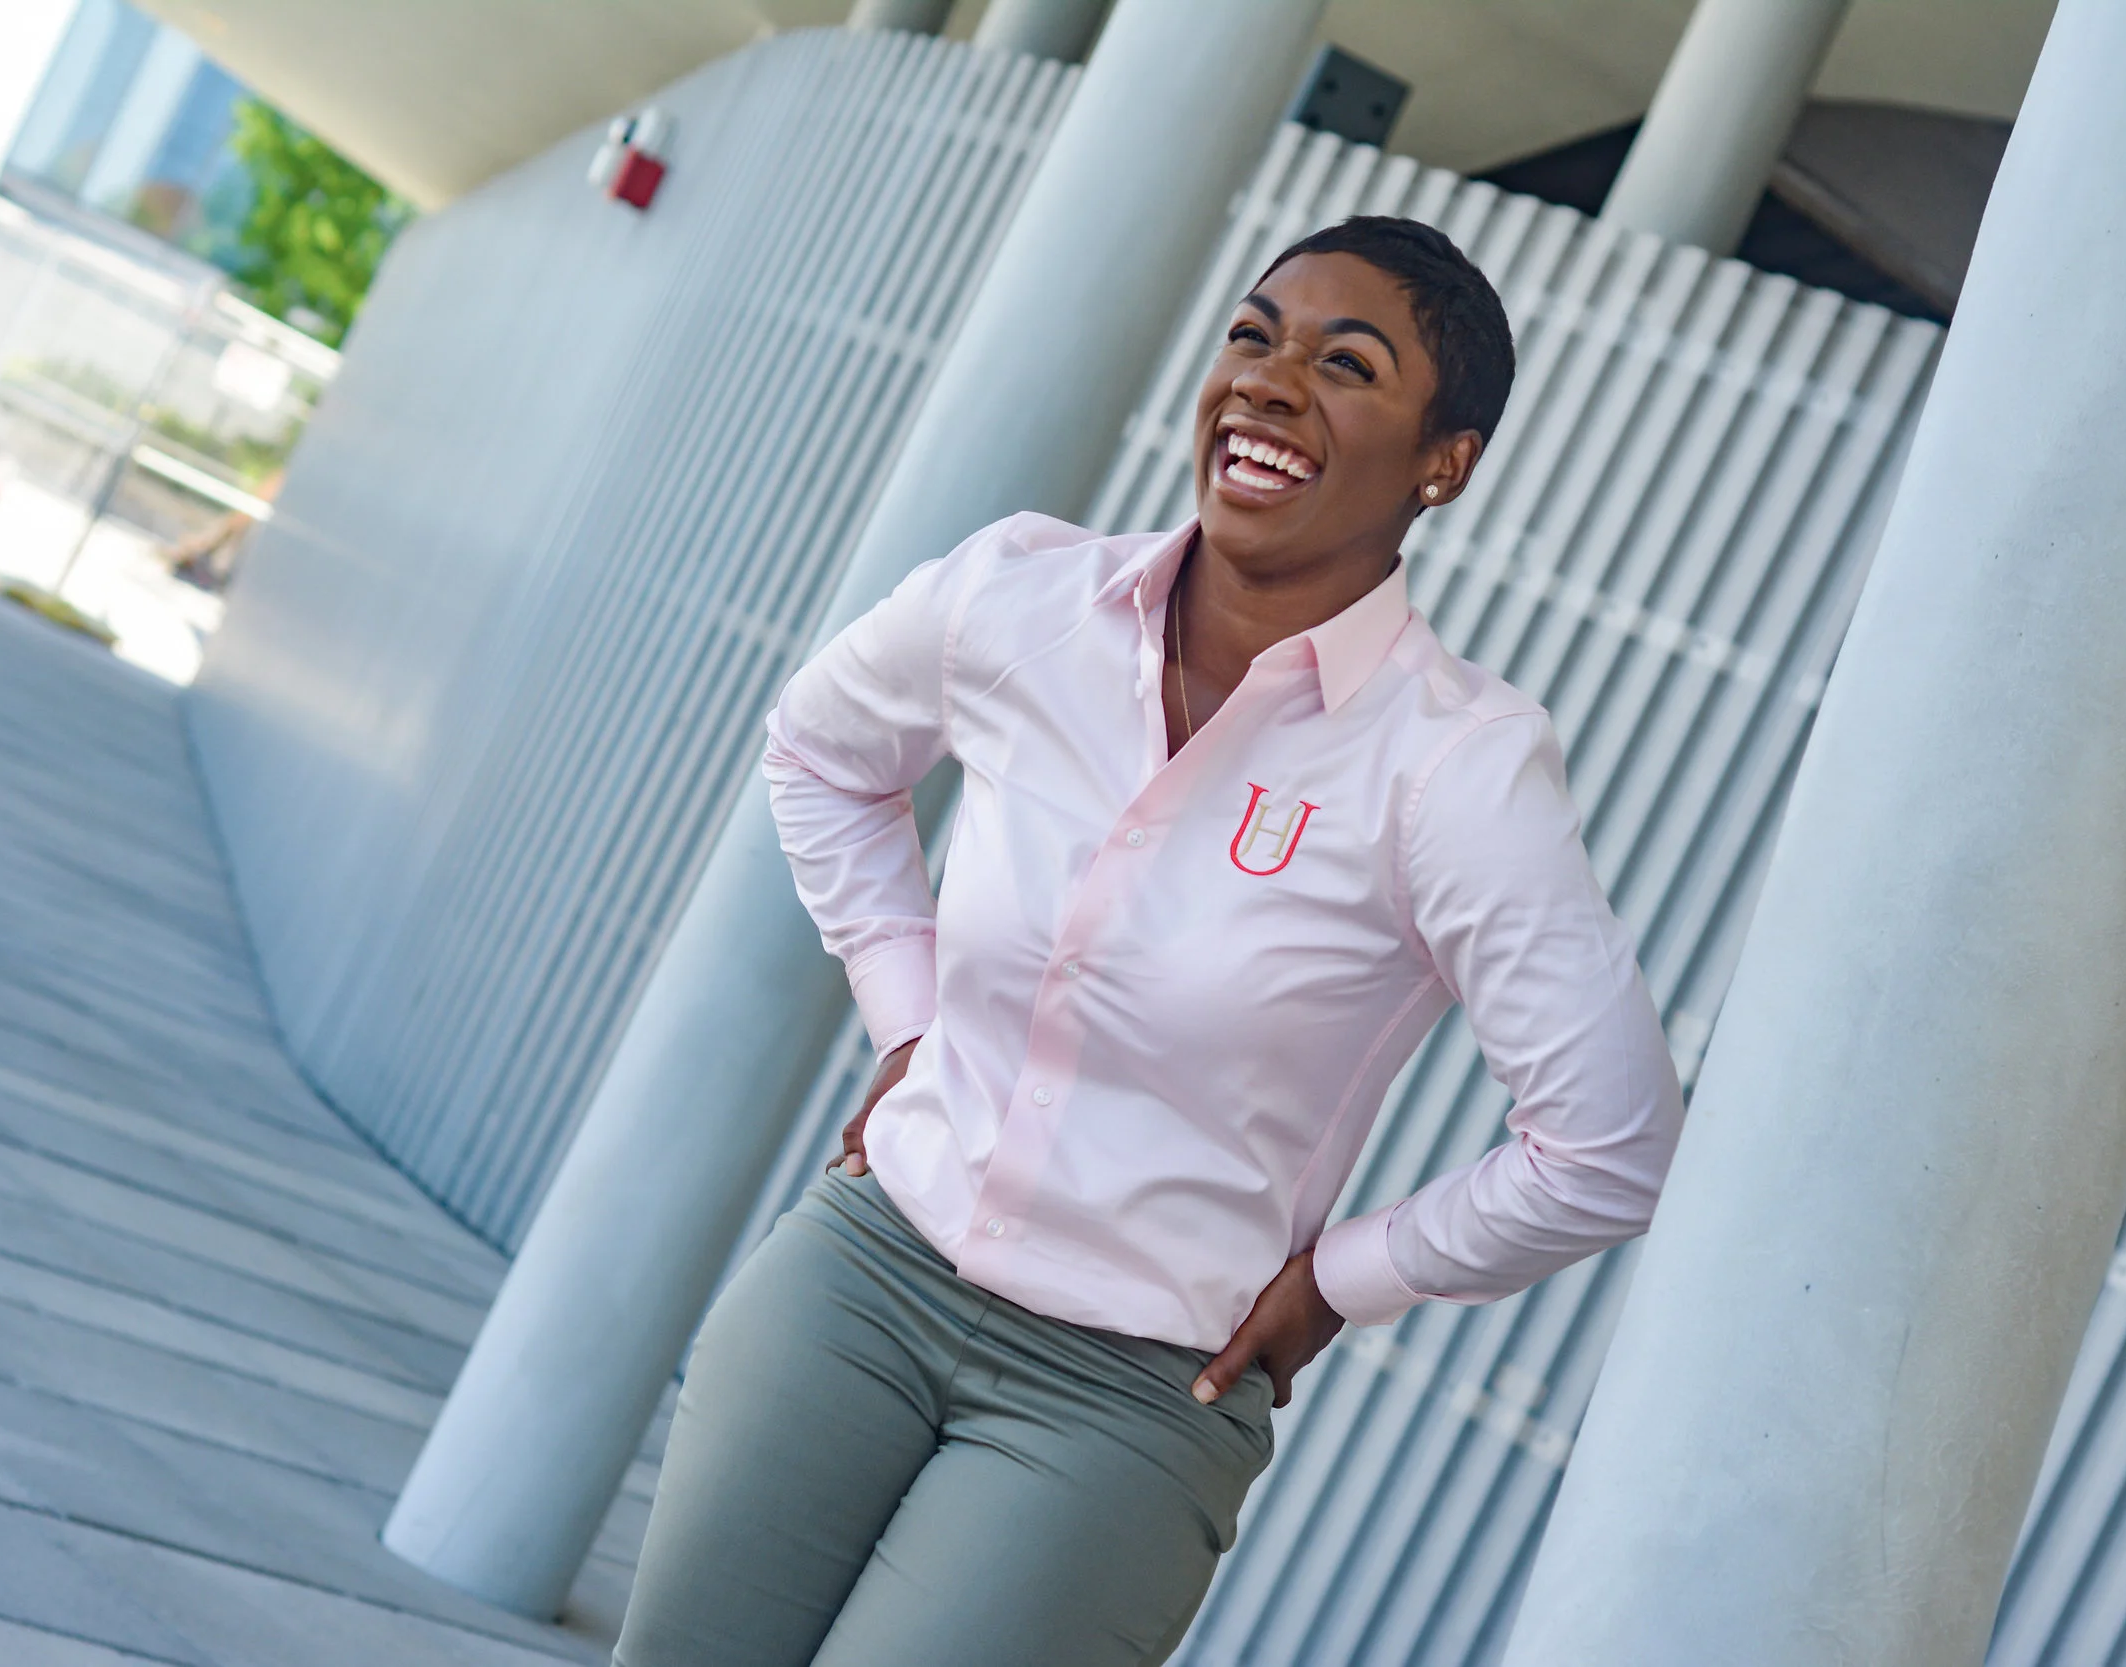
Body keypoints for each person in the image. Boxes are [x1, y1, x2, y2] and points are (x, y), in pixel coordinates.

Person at [611, 216, 1686, 1667]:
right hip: (860, 1277)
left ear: (1445, 464)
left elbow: (1611, 1143)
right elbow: (818, 752)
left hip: (1121, 1402)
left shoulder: (1456, 766)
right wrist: (906, 1012)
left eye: (1347, 365)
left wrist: (1351, 1276)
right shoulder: (1019, 597)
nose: (1272, 381)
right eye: (1254, 337)